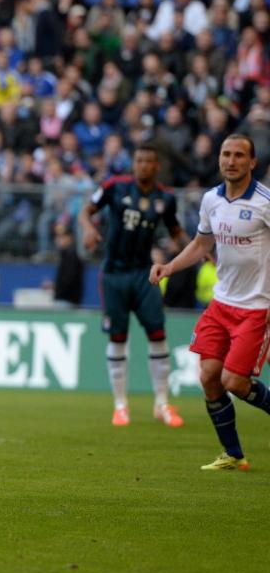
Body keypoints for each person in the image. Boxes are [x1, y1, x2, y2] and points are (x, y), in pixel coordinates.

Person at [150, 134, 270, 471]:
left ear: (252, 162)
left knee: (235, 382)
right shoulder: (211, 200)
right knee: (209, 376)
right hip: (221, 304)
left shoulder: (264, 201)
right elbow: (202, 246)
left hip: (257, 308)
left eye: (239, 155)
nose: (231, 161)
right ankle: (233, 454)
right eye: (226, 154)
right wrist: (169, 267)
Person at [78, 144, 188, 427]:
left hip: (145, 275)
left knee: (158, 335)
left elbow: (175, 230)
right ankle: (120, 405)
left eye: (149, 161)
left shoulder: (165, 197)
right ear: (134, 162)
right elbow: (85, 211)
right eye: (138, 160)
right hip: (113, 274)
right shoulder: (115, 186)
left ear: (156, 166)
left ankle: (162, 403)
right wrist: (89, 228)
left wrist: (198, 249)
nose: (143, 165)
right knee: (118, 338)